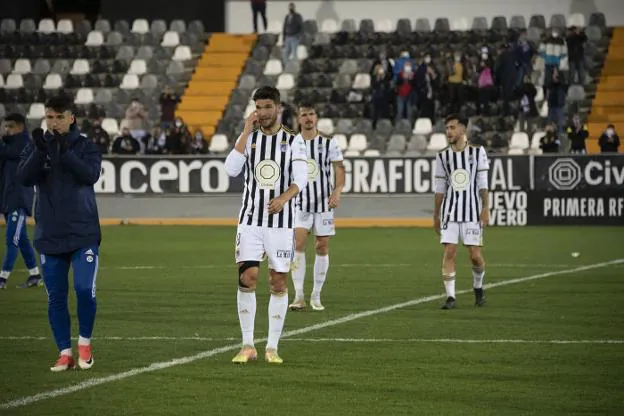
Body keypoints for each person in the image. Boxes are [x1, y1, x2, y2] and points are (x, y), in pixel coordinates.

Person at [17, 94, 102, 372]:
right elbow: (24, 178)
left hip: (83, 232)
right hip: (49, 235)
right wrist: (41, 151)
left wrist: (64, 151)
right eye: (49, 117)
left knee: (83, 290)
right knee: (56, 296)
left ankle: (85, 343)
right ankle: (64, 353)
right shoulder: (36, 147)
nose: (53, 123)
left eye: (58, 117)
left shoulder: (86, 146)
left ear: (71, 118)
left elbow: (90, 174)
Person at [224, 86, 308, 364]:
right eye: (258, 108)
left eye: (267, 107)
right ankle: (248, 345)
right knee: (246, 278)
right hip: (250, 220)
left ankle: (272, 346)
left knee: (278, 281)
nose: (262, 113)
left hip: (281, 224)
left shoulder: (293, 141)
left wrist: (284, 198)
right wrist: (246, 130)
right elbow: (231, 169)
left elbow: (302, 179)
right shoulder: (249, 137)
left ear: (278, 108)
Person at [289, 102, 345, 312]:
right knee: (298, 244)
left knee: (321, 246)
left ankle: (316, 295)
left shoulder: (329, 142)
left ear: (317, 117)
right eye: (304, 115)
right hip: (300, 203)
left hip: (323, 204)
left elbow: (339, 167)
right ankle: (299, 295)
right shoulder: (292, 143)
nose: (308, 118)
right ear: (298, 119)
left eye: (311, 114)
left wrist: (337, 191)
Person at [433, 114, 489, 310]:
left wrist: (486, 208)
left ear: (463, 130)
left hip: (472, 212)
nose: (448, 131)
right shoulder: (442, 156)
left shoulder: (477, 153)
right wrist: (436, 215)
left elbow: (483, 183)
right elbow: (440, 187)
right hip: (450, 212)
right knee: (450, 251)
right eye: (447, 127)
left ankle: (478, 287)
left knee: (474, 255)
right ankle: (450, 297)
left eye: (452, 127)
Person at [0, 113, 42, 289]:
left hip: (19, 199)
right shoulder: (8, 146)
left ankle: (2, 278)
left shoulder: (26, 144)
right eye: (5, 126)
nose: (6, 129)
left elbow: (9, 153)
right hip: (8, 199)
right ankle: (35, 275)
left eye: (10, 126)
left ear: (20, 127)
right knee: (21, 239)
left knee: (12, 239)